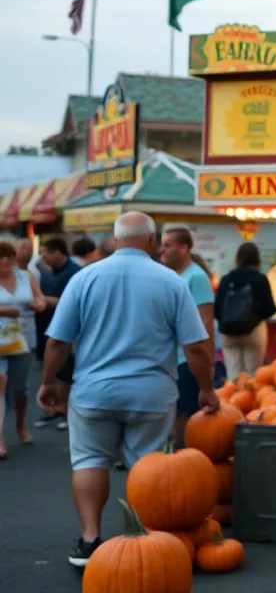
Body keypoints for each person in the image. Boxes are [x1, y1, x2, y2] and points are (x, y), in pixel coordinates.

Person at [39, 211, 215, 567]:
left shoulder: (85, 278)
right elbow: (196, 346)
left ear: (116, 239)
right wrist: (206, 389)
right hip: (151, 394)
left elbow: (58, 341)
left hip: (93, 391)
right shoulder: (171, 282)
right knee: (145, 467)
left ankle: (90, 541)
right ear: (152, 241)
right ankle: (135, 540)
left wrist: (47, 382)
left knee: (89, 460)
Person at [160, 227, 223, 447]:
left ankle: (181, 457)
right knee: (172, 413)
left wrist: (208, 362)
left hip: (188, 359)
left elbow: (205, 322)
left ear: (183, 248)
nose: (162, 250)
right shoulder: (173, 275)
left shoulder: (196, 277)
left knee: (185, 415)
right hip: (169, 358)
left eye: (167, 245)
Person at [0, 240, 46, 456]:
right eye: (0, 256)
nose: (5, 260)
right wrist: (3, 311)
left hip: (23, 339)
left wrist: (39, 305)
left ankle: (20, 425)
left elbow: (40, 299)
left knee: (19, 390)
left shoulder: (25, 276)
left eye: (8, 255)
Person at [34, 236, 79, 430]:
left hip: (67, 331)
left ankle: (68, 414)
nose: (44, 258)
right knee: (59, 372)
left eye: (47, 253)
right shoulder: (51, 270)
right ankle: (56, 409)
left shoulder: (74, 273)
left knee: (66, 373)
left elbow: (73, 304)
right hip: (48, 326)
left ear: (58, 252)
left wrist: (46, 300)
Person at [214, 242, 276, 378]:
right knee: (252, 375)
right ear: (257, 260)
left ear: (237, 258)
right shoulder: (260, 279)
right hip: (253, 333)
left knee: (233, 375)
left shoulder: (226, 279)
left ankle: (233, 397)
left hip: (228, 334)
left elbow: (216, 309)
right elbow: (269, 309)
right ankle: (248, 398)